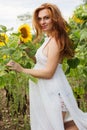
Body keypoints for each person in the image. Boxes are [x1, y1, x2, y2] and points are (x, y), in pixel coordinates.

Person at [7, 3, 87, 130]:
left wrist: (21, 69)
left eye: (46, 18)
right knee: (64, 125)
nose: (42, 22)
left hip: (55, 93)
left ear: (54, 19)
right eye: (40, 18)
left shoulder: (55, 41)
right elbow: (41, 63)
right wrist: (27, 50)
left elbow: (49, 72)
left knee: (58, 126)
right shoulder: (49, 39)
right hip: (48, 92)